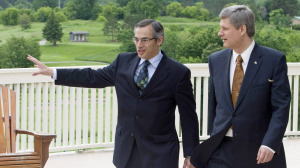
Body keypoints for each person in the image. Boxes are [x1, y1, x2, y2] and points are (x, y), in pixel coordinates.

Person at [28, 19, 199, 168]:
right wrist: (53, 72)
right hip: (127, 151)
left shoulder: (178, 73)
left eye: (145, 40)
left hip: (160, 153)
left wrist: (191, 153)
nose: (139, 45)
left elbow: (188, 116)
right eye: (136, 39)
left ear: (159, 40)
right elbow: (92, 77)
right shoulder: (123, 62)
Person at [190, 5, 291, 168]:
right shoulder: (215, 60)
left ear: (242, 29)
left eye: (225, 28)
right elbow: (214, 105)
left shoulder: (273, 60)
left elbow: (281, 108)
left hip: (258, 151)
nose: (219, 33)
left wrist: (270, 143)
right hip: (220, 149)